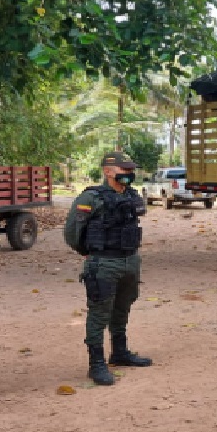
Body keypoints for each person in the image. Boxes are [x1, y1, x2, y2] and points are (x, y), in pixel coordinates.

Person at [63, 151, 153, 386]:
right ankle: (96, 365)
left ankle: (120, 352)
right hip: (103, 263)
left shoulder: (132, 195)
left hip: (130, 261)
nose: (129, 174)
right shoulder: (91, 197)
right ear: (108, 171)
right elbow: (71, 232)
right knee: (99, 312)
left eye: (131, 170)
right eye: (125, 170)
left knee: (122, 307)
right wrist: (86, 251)